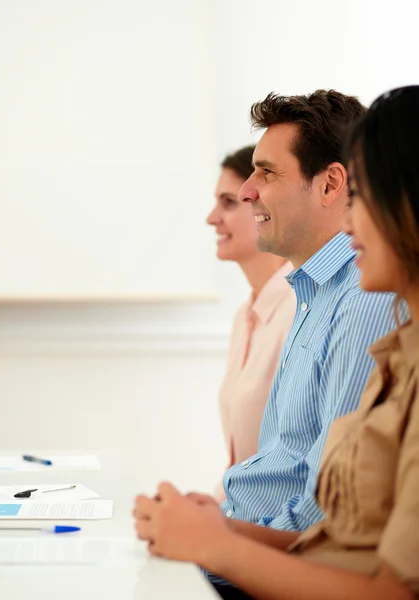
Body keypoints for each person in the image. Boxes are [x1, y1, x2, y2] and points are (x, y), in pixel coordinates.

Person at [133, 85, 419, 600]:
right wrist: (217, 527)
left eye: (266, 173)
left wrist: (219, 543)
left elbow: (335, 534)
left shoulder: (365, 305)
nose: (247, 193)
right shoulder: (313, 296)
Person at [207, 147, 295, 499]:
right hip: (239, 514)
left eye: (228, 202)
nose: (212, 218)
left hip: (271, 527)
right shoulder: (244, 317)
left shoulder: (297, 309)